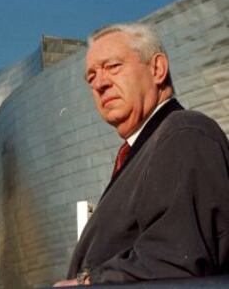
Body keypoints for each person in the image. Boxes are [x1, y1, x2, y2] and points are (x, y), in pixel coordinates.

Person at [54, 23, 229, 287]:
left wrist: (88, 282)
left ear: (157, 69)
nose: (99, 83)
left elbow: (177, 258)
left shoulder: (184, 132)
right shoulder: (146, 149)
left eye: (113, 67)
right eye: (90, 77)